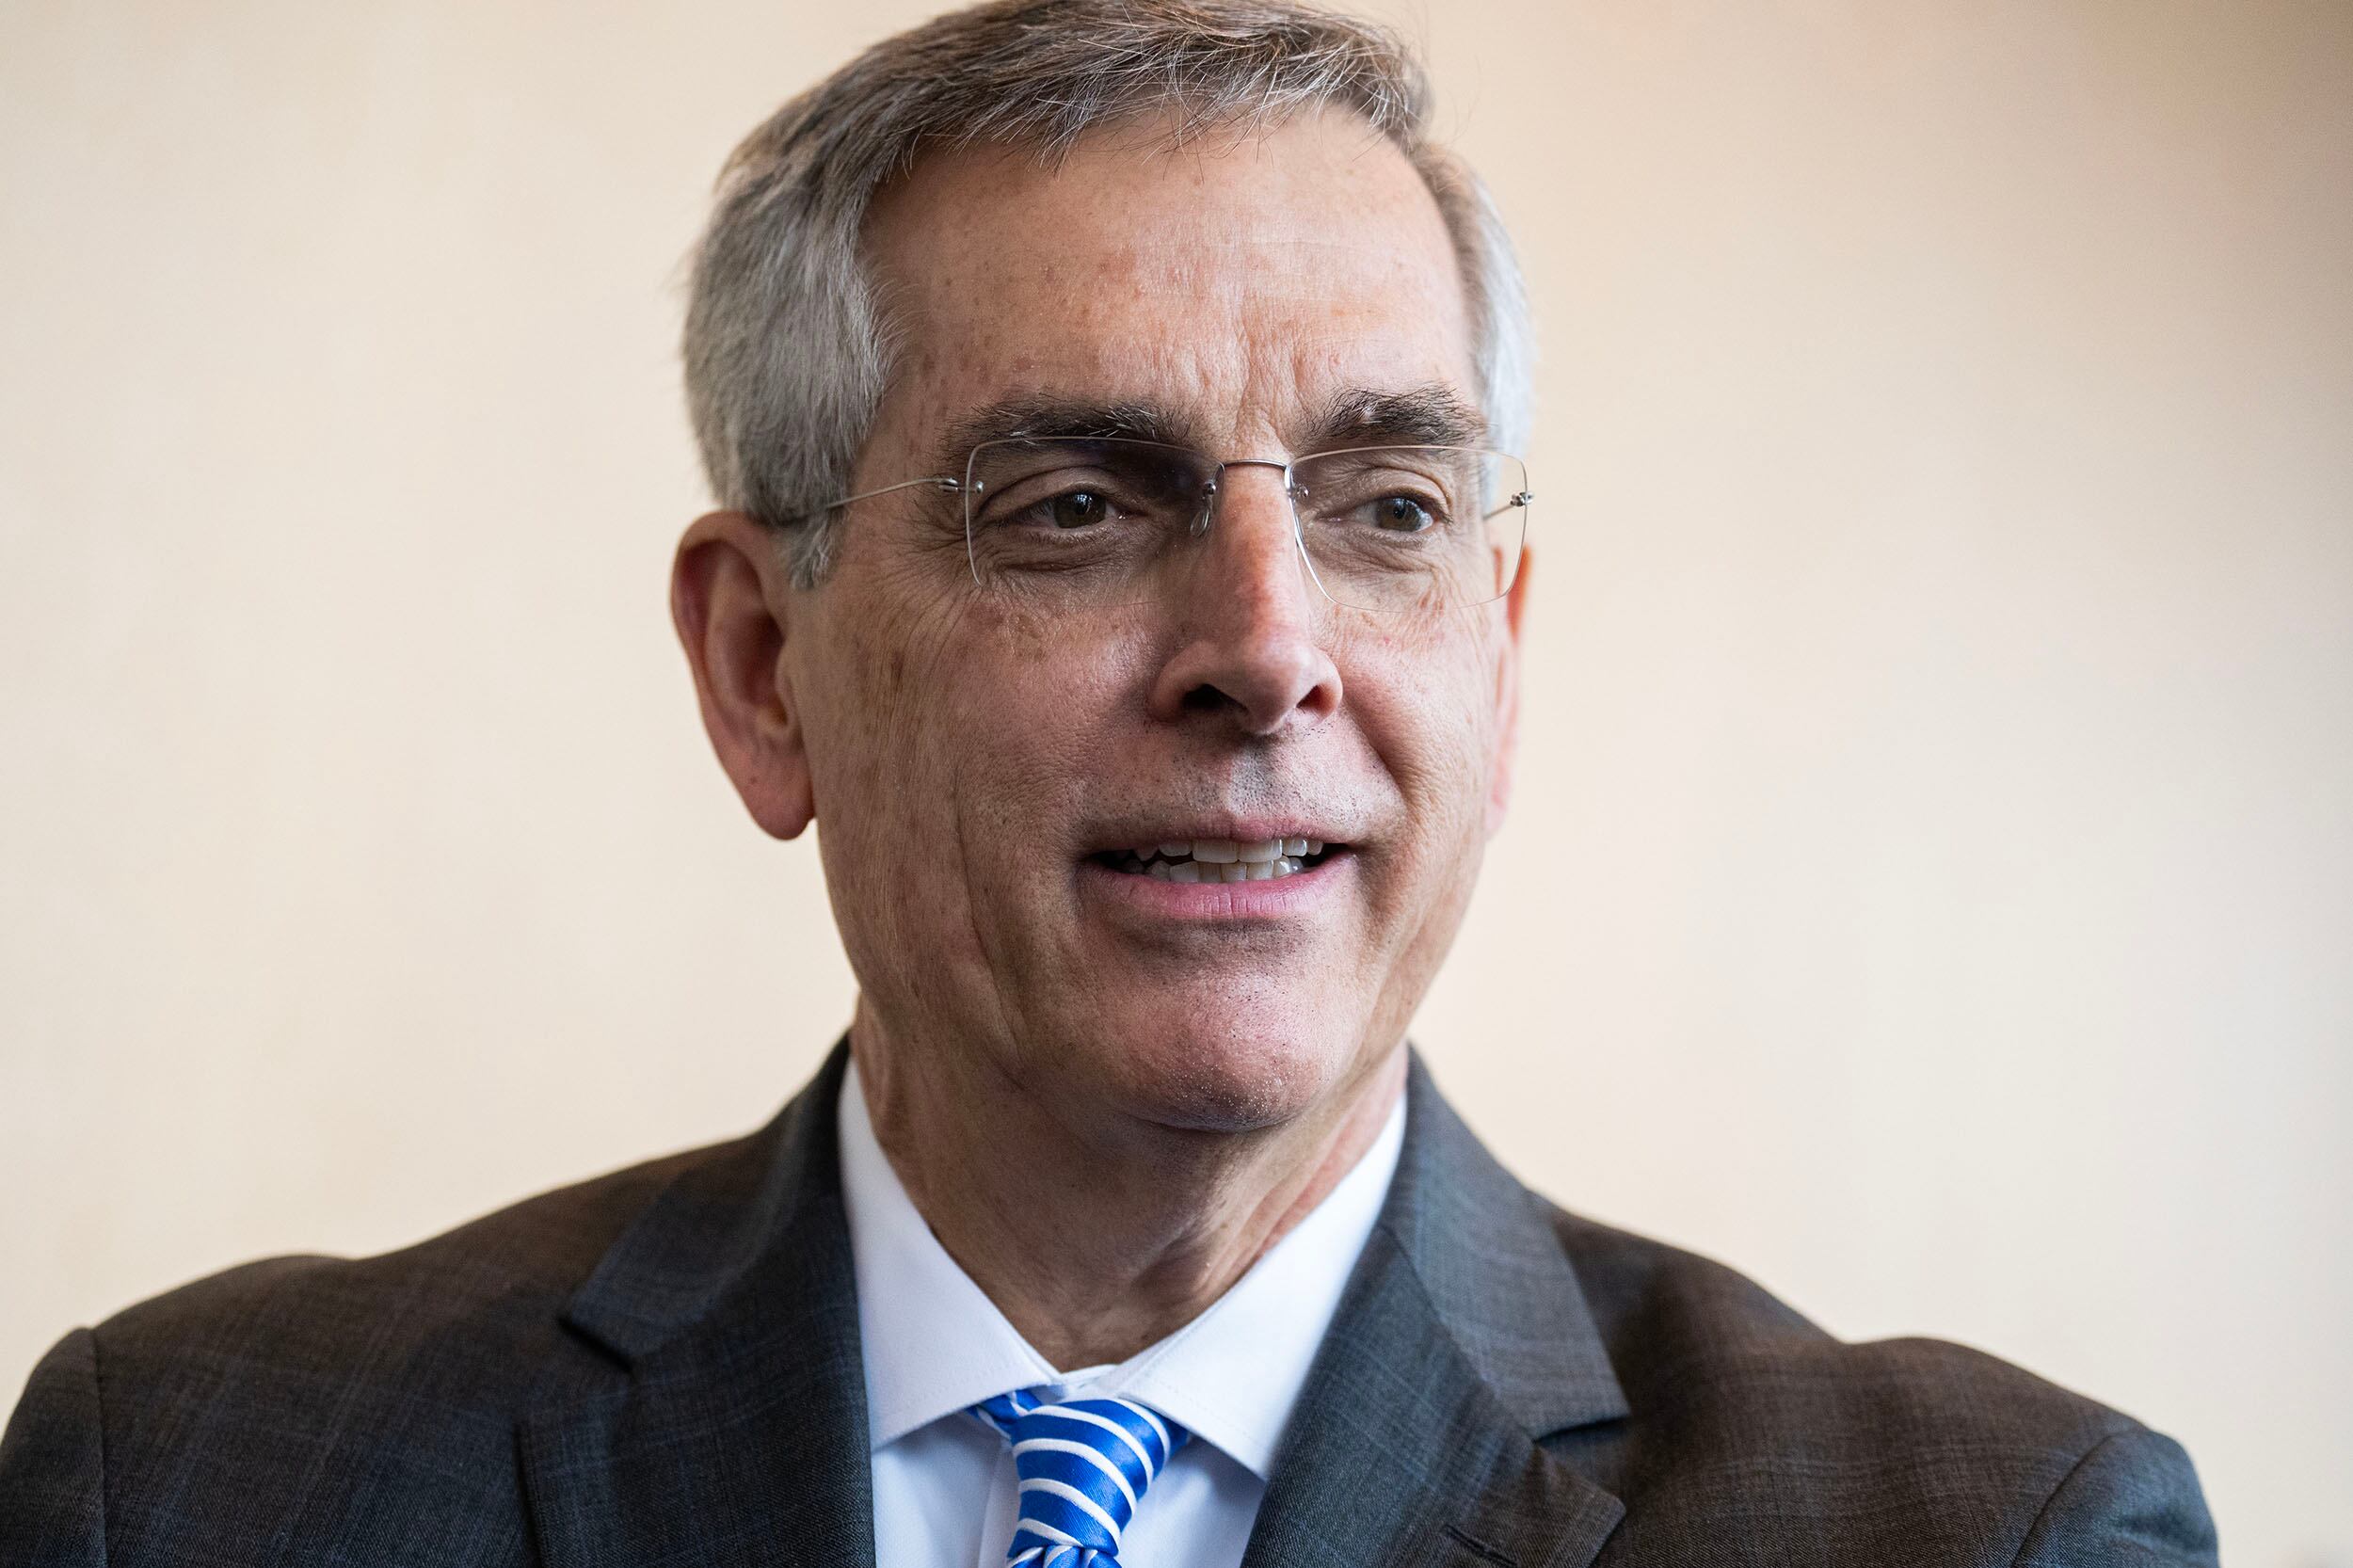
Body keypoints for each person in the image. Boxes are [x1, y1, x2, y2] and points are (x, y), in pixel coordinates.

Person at [0, 2, 2218, 1562]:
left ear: (1498, 650)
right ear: (764, 667)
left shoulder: (1981, 1529)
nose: (1269, 646)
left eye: (1386, 509)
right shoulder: (188, 1484)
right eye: (1072, 505)